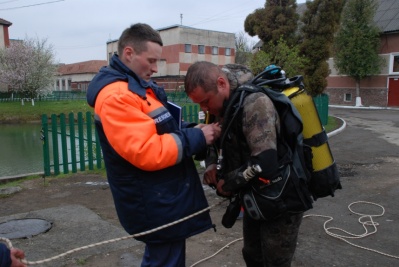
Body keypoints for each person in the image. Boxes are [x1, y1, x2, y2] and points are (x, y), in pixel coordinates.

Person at [86, 24, 220, 266]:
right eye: (151, 60)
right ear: (129, 53)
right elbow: (147, 151)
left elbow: (165, 127)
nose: (155, 68)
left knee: (166, 255)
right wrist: (198, 138)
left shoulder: (137, 88)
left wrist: (191, 130)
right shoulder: (117, 97)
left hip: (161, 197)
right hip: (152, 200)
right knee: (165, 259)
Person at [184, 61, 304, 267]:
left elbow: (264, 163)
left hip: (281, 198)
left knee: (275, 262)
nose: (204, 108)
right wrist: (212, 165)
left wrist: (228, 184)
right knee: (252, 256)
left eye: (205, 102)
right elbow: (216, 136)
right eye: (199, 104)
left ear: (221, 83)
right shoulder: (224, 103)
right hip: (255, 195)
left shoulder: (255, 103)